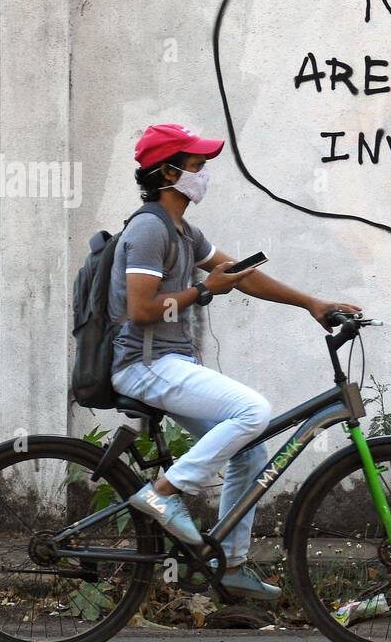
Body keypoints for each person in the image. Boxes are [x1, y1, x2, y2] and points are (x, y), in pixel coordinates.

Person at [111, 123, 361, 600]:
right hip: (142, 364)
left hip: (168, 361)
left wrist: (312, 303)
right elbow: (140, 310)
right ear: (168, 171)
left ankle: (231, 565)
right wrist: (205, 290)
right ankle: (163, 493)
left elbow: (242, 277)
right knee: (253, 411)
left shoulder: (182, 231)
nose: (203, 173)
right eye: (196, 165)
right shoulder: (148, 229)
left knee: (250, 448)